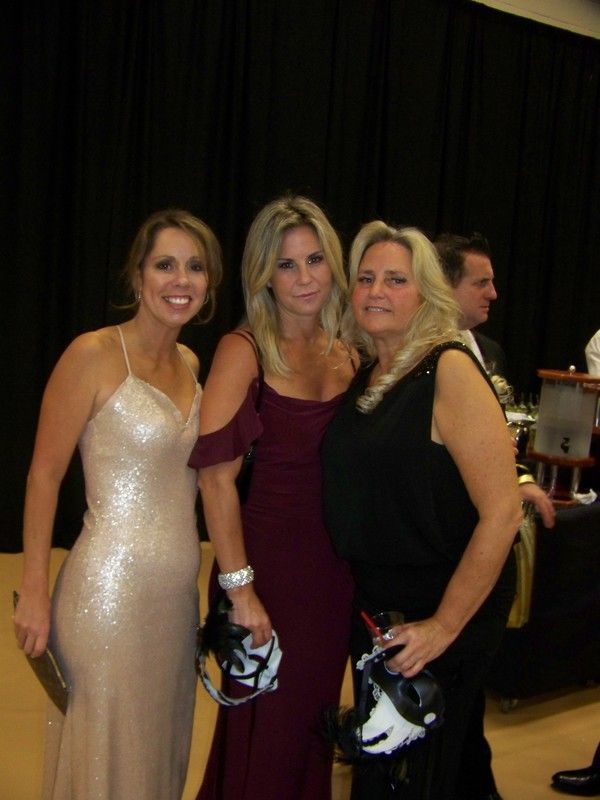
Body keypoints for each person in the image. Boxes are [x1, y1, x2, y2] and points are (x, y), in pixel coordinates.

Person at [13, 208, 223, 799]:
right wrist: (34, 586)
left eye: (195, 267)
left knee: (158, 754)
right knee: (106, 762)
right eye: (165, 265)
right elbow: (43, 476)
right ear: (137, 276)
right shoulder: (94, 354)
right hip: (108, 598)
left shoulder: (191, 364)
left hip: (175, 604)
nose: (180, 280)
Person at [321, 221, 523, 799]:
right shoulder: (372, 372)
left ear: (427, 292)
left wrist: (444, 626)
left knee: (417, 778)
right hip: (382, 609)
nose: (376, 291)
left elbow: (503, 512)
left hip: (444, 605)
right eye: (365, 278)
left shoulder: (449, 368)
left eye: (395, 279)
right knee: (397, 772)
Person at [188, 195, 357, 800]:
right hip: (262, 572)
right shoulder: (244, 349)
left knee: (307, 734)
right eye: (287, 265)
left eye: (315, 260)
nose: (305, 277)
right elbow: (214, 479)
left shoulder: (349, 350)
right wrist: (241, 592)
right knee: (264, 735)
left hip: (331, 576)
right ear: (263, 273)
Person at [434, 231, 556, 799]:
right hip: (438, 547)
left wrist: (522, 480)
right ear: (446, 285)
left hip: (487, 544)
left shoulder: (494, 355)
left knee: (468, 689)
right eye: (480, 282)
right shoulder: (417, 357)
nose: (494, 293)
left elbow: (500, 446)